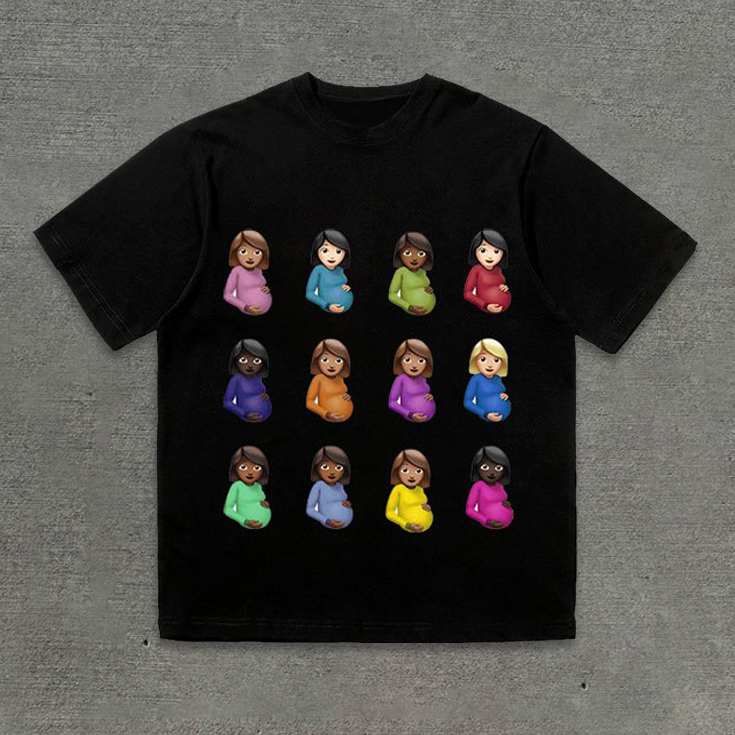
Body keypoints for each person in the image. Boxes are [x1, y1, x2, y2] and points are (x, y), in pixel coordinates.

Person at [223, 230, 272, 315]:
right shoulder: (237, 271)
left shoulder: (258, 270)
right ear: (235, 252)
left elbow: (258, 285)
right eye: (243, 251)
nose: (250, 257)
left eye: (257, 252)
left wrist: (266, 289)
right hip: (244, 315)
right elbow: (227, 295)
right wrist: (246, 307)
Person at [222, 339, 272, 422]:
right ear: (235, 361)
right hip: (244, 422)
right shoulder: (236, 379)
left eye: (256, 361)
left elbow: (257, 393)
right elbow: (227, 402)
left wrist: (265, 396)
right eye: (243, 360)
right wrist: (244, 414)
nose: (250, 365)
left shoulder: (257, 377)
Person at [463, 229, 512, 313]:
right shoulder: (476, 270)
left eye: (496, 251)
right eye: (483, 250)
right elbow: (467, 294)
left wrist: (504, 287)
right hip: (482, 312)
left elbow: (496, 285)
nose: (490, 256)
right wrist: (485, 305)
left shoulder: (498, 269)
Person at [463, 338, 511, 422]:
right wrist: (485, 414)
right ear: (475, 361)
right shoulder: (476, 379)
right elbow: (467, 402)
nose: (490, 365)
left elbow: (498, 393)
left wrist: (505, 396)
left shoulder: (497, 378)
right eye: (483, 359)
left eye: (496, 360)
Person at [385, 449, 433, 533]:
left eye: (418, 471)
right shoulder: (398, 489)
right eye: (405, 470)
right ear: (397, 471)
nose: (412, 476)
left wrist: (428, 508)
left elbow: (420, 505)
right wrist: (407, 525)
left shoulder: (419, 489)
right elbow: (389, 513)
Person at [223, 446, 272, 529]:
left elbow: (259, 501)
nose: (250, 472)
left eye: (256, 468)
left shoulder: (258, 485)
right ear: (235, 468)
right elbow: (227, 509)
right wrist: (245, 521)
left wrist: (265, 504)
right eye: (243, 467)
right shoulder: (237, 486)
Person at [388, 339, 436, 422]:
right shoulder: (401, 379)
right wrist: (410, 414)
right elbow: (392, 403)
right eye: (407, 360)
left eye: (420, 361)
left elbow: (420, 394)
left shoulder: (422, 378)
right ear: (400, 361)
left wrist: (429, 397)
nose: (414, 365)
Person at [305, 339, 354, 422]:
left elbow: (338, 393)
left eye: (338, 361)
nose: (332, 365)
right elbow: (309, 403)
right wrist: (327, 414)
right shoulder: (319, 379)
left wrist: (346, 397)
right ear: (317, 361)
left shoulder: (340, 378)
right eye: (325, 360)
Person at [305, 229, 354, 313]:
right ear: (317, 251)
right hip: (325, 312)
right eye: (325, 250)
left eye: (338, 251)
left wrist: (347, 288)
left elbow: (338, 284)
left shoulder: (339, 269)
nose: (332, 256)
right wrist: (328, 305)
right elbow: (309, 294)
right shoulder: (318, 270)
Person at [388, 232, 436, 315]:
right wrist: (409, 307)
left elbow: (423, 286)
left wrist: (430, 289)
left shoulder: (422, 271)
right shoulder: (401, 272)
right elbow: (392, 295)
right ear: (399, 254)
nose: (414, 258)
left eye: (421, 254)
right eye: (408, 253)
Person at [465, 446, 514, 529]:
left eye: (498, 468)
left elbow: (499, 501)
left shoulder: (499, 484)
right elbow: (469, 510)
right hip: (487, 528)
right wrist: (487, 521)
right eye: (485, 467)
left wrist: (507, 505)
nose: (492, 472)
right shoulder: (478, 486)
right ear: (477, 468)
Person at [305, 446, 354, 529]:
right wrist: (327, 521)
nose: (332, 472)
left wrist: (347, 504)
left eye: (338, 467)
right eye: (325, 467)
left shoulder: (339, 485)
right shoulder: (319, 486)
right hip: (326, 528)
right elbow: (310, 510)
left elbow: (341, 500)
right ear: (317, 468)